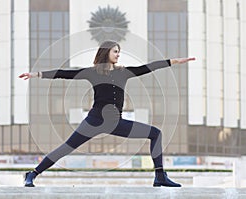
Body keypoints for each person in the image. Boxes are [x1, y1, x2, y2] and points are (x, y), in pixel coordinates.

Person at [19, 40, 195, 187]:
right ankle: (32, 174)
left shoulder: (123, 73)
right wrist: (37, 74)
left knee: (155, 134)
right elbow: (64, 74)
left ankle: (160, 177)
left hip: (116, 122)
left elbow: (149, 67)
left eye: (119, 52)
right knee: (66, 148)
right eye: (115, 51)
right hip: (94, 121)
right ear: (106, 53)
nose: (118, 54)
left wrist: (174, 61)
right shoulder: (92, 73)